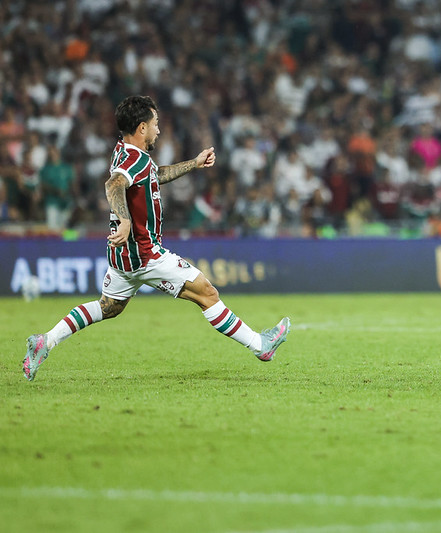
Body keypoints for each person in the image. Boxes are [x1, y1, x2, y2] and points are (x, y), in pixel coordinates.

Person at [23, 96, 290, 381]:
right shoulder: (134, 158)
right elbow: (113, 185)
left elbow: (154, 175)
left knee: (108, 306)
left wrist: (194, 163)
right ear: (141, 128)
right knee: (207, 293)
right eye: (155, 124)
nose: (158, 130)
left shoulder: (125, 153)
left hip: (122, 257)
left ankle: (45, 341)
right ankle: (261, 346)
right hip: (145, 254)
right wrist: (125, 219)